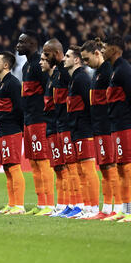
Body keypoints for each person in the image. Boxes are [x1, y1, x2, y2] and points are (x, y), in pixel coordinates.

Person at [104, 35, 131, 222]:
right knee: (120, 168)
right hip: (116, 124)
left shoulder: (124, 70)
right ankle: (125, 208)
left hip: (126, 124)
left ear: (114, 50)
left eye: (106, 47)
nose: (103, 50)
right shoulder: (115, 70)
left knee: (129, 166)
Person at [81, 38, 122, 220]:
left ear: (97, 53)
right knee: (104, 167)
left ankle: (118, 207)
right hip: (97, 127)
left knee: (111, 166)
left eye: (87, 59)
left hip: (106, 127)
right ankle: (106, 209)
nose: (86, 63)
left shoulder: (108, 72)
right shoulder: (98, 73)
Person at [17, 31, 54, 215]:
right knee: (33, 162)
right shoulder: (26, 68)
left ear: (32, 44)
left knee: (43, 162)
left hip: (40, 120)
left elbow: (49, 91)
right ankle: (41, 203)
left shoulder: (41, 66)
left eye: (21, 42)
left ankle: (49, 204)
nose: (17, 45)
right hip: (29, 121)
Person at [42, 38, 79, 218]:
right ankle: (67, 205)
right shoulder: (56, 75)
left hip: (66, 127)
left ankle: (77, 204)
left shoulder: (65, 74)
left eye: (46, 54)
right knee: (61, 169)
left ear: (57, 54)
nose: (44, 57)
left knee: (70, 168)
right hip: (58, 127)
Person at [63, 46, 101, 219]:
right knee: (80, 170)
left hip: (85, 130)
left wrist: (90, 126)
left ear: (76, 60)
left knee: (87, 170)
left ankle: (93, 208)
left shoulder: (82, 79)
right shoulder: (73, 79)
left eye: (67, 56)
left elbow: (90, 104)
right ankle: (86, 207)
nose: (64, 58)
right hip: (76, 129)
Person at [0, 52, 26, 215]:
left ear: (6, 65)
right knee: (7, 167)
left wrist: (19, 128)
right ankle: (12, 204)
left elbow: (19, 108)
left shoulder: (12, 83)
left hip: (12, 130)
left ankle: (19, 205)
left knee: (14, 166)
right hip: (3, 130)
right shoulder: (2, 83)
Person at [39, 52, 65, 217]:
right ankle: (62, 205)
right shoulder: (50, 80)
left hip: (58, 128)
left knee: (64, 168)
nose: (40, 62)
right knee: (58, 168)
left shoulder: (58, 78)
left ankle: (70, 204)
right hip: (51, 128)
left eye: (43, 60)